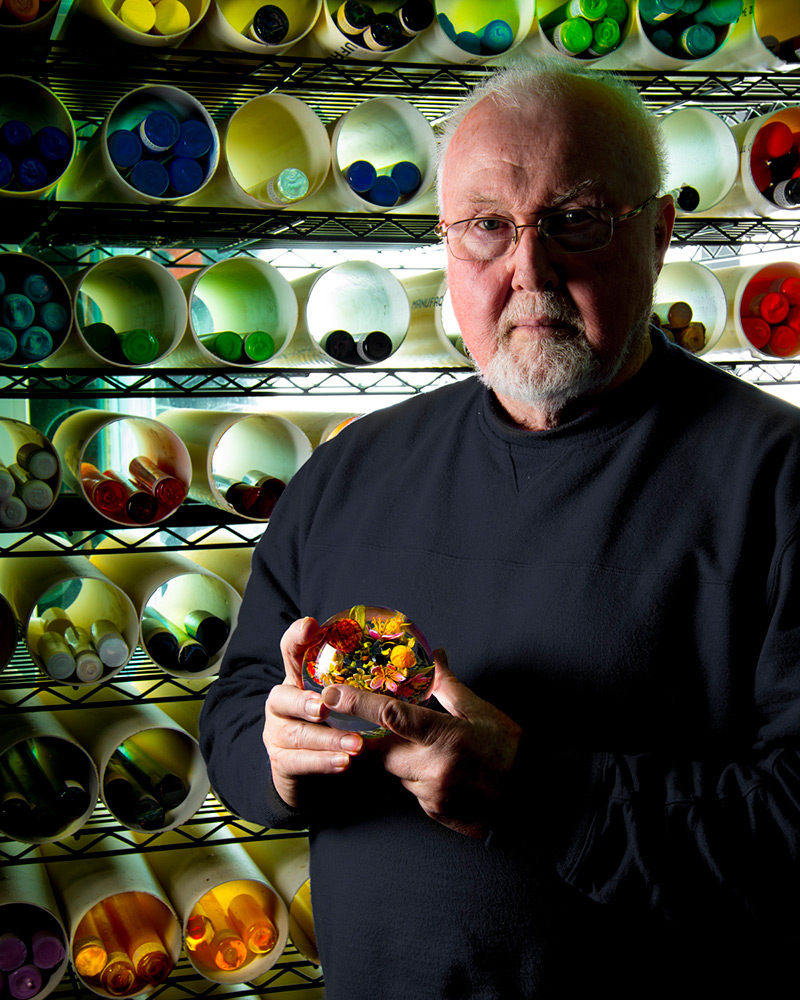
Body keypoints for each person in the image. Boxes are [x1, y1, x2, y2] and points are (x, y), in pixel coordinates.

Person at [199, 60, 800, 998]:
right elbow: (236, 708)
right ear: (446, 244)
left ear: (659, 232)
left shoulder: (779, 480)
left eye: (577, 219)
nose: (529, 269)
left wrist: (536, 794)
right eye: (487, 225)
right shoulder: (352, 468)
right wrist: (280, 761)